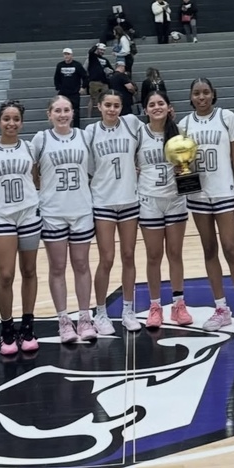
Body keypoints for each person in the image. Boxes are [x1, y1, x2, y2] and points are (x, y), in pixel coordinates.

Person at [179, 78, 234, 334]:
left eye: (205, 92)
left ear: (213, 94)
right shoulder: (184, 125)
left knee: (231, 249)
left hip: (225, 192)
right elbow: (182, 163)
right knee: (209, 249)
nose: (201, 97)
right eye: (196, 93)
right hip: (198, 195)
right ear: (191, 97)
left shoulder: (226, 118)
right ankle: (221, 308)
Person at [0, 101, 41, 355]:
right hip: (2, 216)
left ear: (21, 122)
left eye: (16, 119)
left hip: (28, 213)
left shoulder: (29, 147)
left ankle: (28, 326)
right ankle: (7, 329)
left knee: (29, 271)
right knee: (6, 275)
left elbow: (35, 180)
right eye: (6, 119)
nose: (11, 123)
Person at [31, 96, 95, 343]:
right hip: (53, 212)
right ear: (49, 114)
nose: (62, 114)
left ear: (72, 113)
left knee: (81, 265)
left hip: (81, 209)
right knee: (57, 267)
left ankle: (85, 318)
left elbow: (93, 169)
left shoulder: (84, 136)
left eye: (66, 110)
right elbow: (32, 171)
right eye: (57, 110)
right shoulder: (41, 139)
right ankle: (64, 321)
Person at [86, 91, 142, 334]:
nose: (112, 109)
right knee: (106, 259)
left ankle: (128, 310)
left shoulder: (131, 124)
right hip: (103, 201)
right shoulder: (90, 132)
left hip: (129, 199)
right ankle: (100, 313)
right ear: (99, 106)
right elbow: (88, 168)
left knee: (128, 256)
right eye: (107, 105)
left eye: (116, 105)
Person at [137, 90, 192, 327]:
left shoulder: (179, 133)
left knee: (175, 253)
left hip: (175, 199)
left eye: (161, 103)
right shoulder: (139, 133)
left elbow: (189, 167)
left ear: (169, 107)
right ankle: (155, 306)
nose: (157, 107)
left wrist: (185, 170)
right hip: (149, 199)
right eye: (152, 104)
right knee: (153, 255)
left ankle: (179, 305)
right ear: (145, 109)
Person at [53, 47, 88, 128]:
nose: (66, 56)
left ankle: (76, 127)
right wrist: (58, 87)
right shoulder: (60, 65)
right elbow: (56, 77)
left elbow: (85, 76)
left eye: (68, 54)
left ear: (71, 55)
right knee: (61, 109)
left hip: (74, 92)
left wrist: (83, 87)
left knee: (76, 111)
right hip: (63, 92)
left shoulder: (77, 65)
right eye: (65, 54)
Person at [86, 42, 113, 118]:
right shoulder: (93, 57)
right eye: (100, 50)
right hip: (94, 81)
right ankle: (89, 116)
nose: (102, 51)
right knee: (92, 99)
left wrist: (110, 71)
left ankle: (104, 115)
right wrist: (96, 46)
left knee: (105, 99)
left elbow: (111, 69)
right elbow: (90, 51)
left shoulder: (105, 60)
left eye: (103, 50)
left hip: (104, 82)